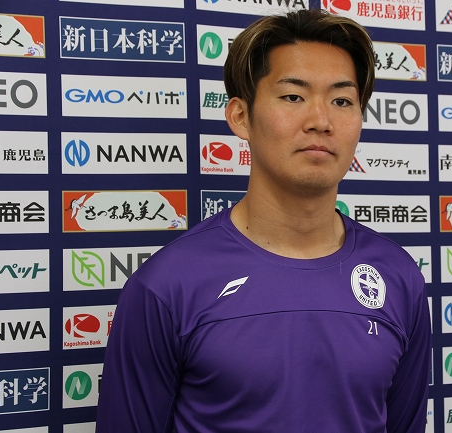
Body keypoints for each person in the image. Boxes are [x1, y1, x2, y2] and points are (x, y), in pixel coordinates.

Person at [95, 9, 431, 433]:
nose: (321, 121)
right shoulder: (167, 285)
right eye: (293, 97)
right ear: (240, 116)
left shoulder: (399, 276)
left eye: (342, 101)